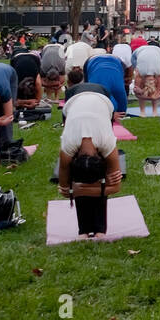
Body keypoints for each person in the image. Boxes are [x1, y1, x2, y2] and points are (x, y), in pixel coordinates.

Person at [58, 88, 123, 236]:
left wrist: (79, 189)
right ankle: (84, 230)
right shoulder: (67, 148)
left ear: (100, 159)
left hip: (102, 95)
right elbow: (64, 189)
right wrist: (97, 187)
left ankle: (100, 229)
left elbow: (116, 187)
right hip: (73, 97)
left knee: (103, 180)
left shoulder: (108, 144)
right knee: (101, 183)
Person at [131, 44, 160, 116]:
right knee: (140, 87)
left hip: (158, 52)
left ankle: (154, 112)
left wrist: (150, 95)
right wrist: (141, 92)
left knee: (157, 89)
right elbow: (137, 92)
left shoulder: (159, 73)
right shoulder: (139, 74)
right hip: (138, 52)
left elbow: (159, 92)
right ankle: (143, 112)